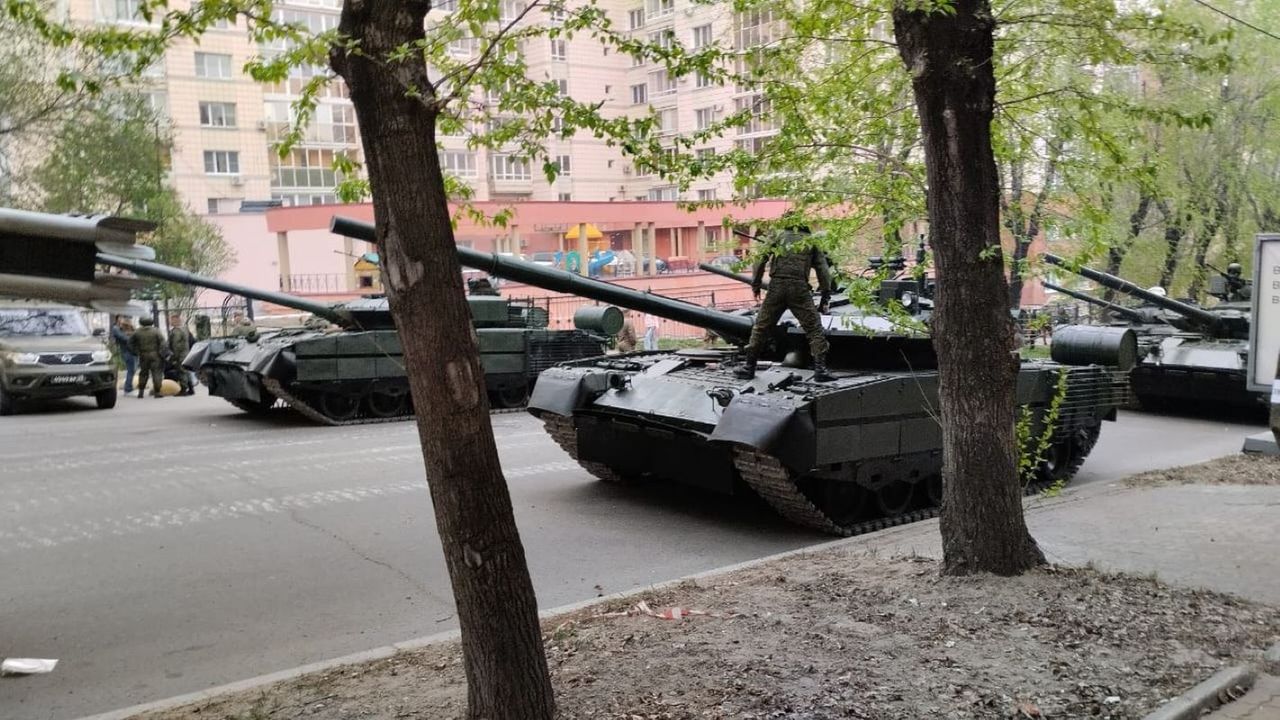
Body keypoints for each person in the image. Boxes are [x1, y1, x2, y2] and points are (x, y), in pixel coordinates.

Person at [735, 218, 834, 381]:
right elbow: (822, 269)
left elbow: (760, 260)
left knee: (761, 327)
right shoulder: (812, 241)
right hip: (799, 289)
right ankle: (820, 370)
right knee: (814, 328)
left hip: (777, 287)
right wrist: (825, 295)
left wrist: (756, 284)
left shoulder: (777, 235)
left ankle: (749, 367)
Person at [128, 316, 165, 398]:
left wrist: (135, 352)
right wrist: (161, 353)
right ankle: (157, 392)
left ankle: (141, 392)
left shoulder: (137, 332)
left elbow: (130, 343)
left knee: (143, 373)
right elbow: (163, 342)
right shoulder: (156, 331)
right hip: (155, 355)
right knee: (156, 373)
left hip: (143, 355)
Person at [167, 315, 193, 396]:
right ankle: (191, 388)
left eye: (171, 320)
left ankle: (183, 390)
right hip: (186, 353)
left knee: (181, 372)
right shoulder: (184, 329)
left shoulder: (176, 331)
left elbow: (176, 346)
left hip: (180, 355)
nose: (170, 322)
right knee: (186, 371)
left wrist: (174, 357)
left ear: (175, 321)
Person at [111, 316, 137, 394]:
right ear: (117, 318)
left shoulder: (124, 328)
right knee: (131, 370)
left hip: (132, 351)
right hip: (127, 351)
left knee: (132, 370)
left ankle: (129, 387)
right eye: (120, 318)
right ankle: (128, 389)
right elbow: (124, 338)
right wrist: (132, 336)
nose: (122, 320)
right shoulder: (116, 328)